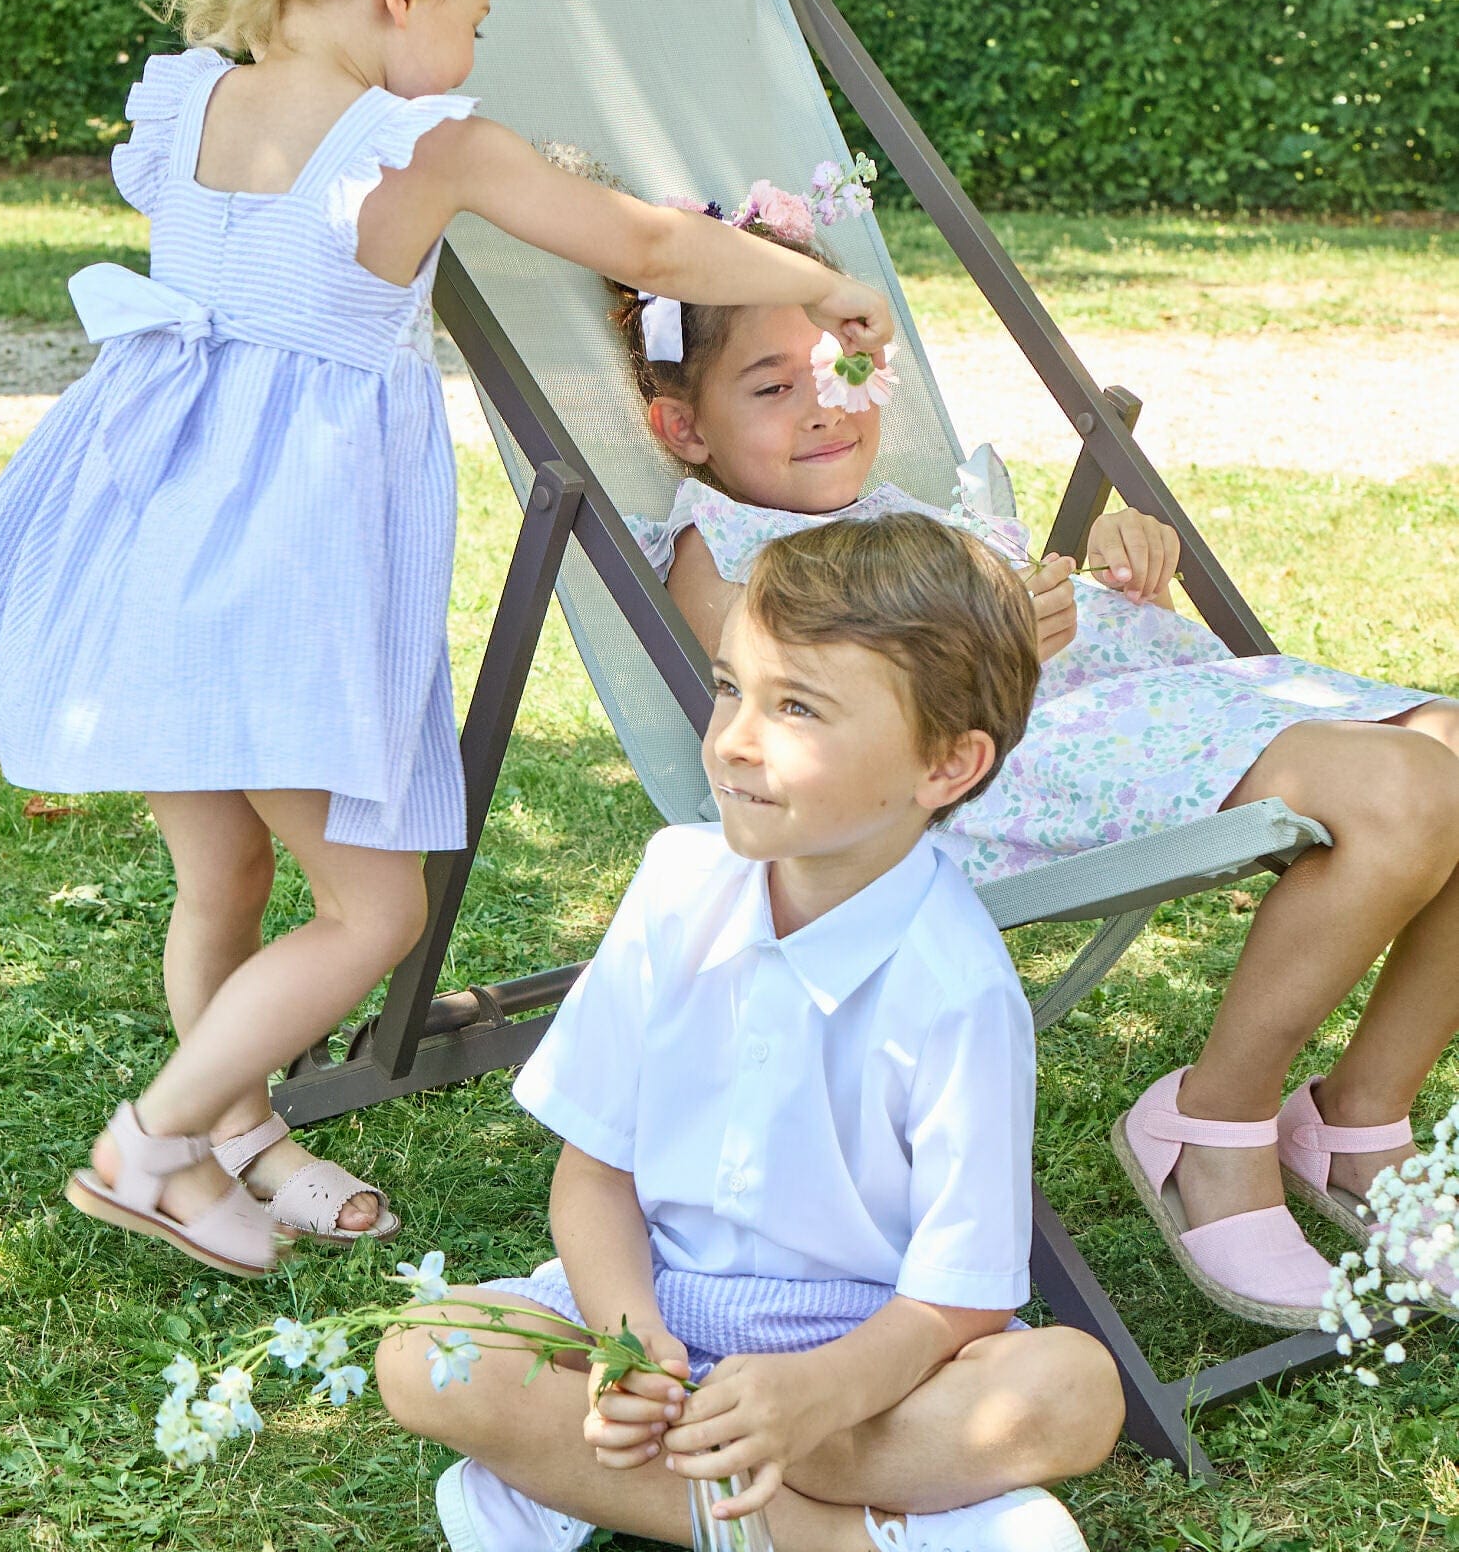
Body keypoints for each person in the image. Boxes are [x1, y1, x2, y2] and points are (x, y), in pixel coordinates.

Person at [0, 0, 893, 1281]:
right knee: (374, 913)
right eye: (474, 20)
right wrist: (816, 281)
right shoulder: (425, 146)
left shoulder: (184, 104)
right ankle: (153, 1142)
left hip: (148, 541)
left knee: (222, 871)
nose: (474, 51)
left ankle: (239, 1138)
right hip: (281, 577)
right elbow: (641, 243)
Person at [611, 174, 1459, 1330]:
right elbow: (793, 703)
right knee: (1402, 787)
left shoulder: (914, 512)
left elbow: (1058, 618)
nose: (824, 408)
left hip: (1114, 717)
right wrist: (982, 630)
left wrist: (1111, 562)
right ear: (682, 427)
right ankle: (1212, 1121)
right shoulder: (725, 545)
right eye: (772, 386)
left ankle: (1359, 1119)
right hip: (966, 784)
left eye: (841, 369)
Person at [378, 514, 1126, 1552]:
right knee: (421, 1352)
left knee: (1072, 1391)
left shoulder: (958, 988)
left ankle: (578, 1484)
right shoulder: (676, 884)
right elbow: (596, 1173)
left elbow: (959, 1299)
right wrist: (627, 1342)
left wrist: (814, 1392)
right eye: (732, 687)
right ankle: (858, 1547)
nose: (732, 739)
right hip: (659, 1309)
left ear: (946, 764)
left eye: (797, 709)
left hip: (862, 1357)